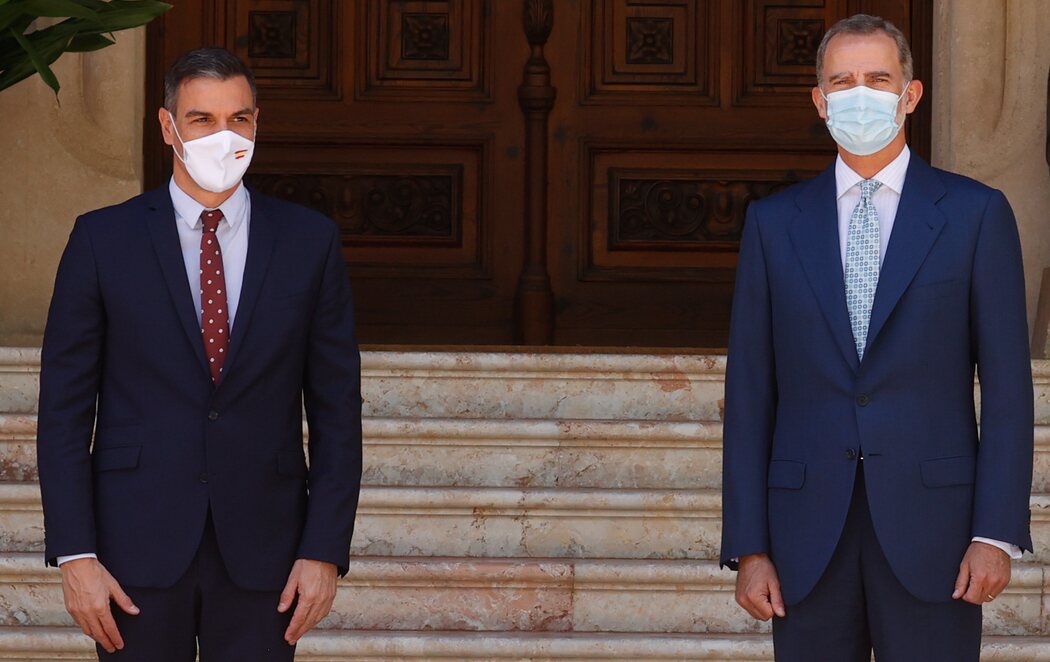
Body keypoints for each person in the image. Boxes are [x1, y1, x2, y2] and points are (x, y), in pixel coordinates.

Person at [720, 14, 1033, 661]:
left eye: (878, 79)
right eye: (843, 80)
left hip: (939, 537)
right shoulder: (774, 225)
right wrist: (749, 545)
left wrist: (996, 534)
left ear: (910, 94)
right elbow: (750, 394)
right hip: (805, 536)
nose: (860, 93)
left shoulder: (976, 216)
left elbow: (1008, 392)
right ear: (819, 99)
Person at [36, 47, 362, 660]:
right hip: (132, 548)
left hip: (267, 552)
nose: (224, 136)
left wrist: (323, 549)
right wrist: (75, 553)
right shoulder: (103, 239)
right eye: (202, 120)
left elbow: (337, 410)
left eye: (239, 119)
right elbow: (63, 410)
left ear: (257, 123)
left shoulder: (309, 242)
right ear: (168, 127)